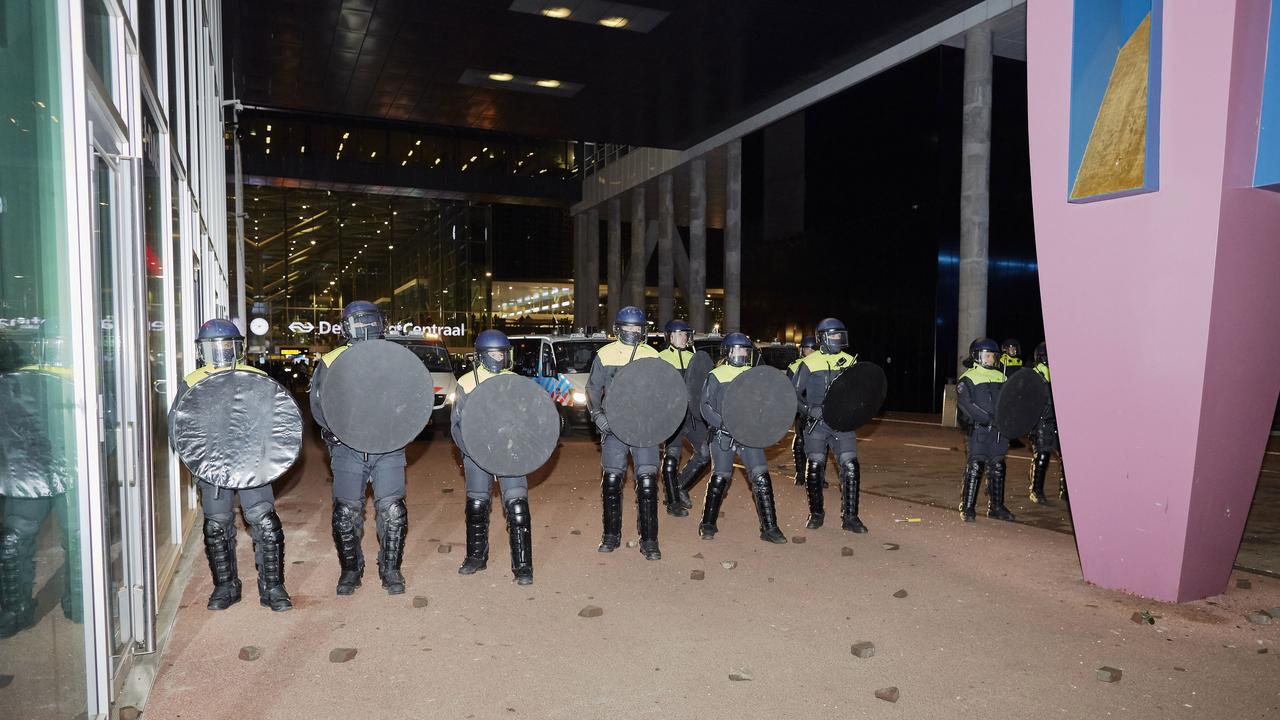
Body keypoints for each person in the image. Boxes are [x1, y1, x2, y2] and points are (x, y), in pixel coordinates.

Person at [168, 319, 292, 611]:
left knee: (265, 522)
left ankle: (272, 587)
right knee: (216, 526)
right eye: (214, 346)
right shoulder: (193, 381)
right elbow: (178, 426)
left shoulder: (255, 376)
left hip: (252, 463)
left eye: (227, 345)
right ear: (203, 350)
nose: (221, 351)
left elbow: (276, 421)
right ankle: (226, 586)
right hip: (213, 465)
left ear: (238, 347)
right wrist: (197, 461)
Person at [311, 301, 409, 595]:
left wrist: (400, 429)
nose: (366, 328)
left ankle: (390, 569)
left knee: (393, 510)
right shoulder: (331, 361)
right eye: (359, 322)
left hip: (387, 446)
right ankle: (351, 569)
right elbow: (319, 404)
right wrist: (336, 433)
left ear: (381, 323)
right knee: (345, 513)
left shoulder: (396, 357)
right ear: (346, 327)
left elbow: (411, 400)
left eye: (371, 321)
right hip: (348, 448)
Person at [0, 319, 83, 636]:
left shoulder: (80, 379)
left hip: (58, 470)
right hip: (31, 472)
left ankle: (78, 602)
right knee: (14, 541)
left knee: (78, 539)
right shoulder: (15, 381)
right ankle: (16, 608)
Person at [451, 331, 534, 585]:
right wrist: (472, 451)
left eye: (502, 353)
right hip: (477, 453)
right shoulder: (466, 382)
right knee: (477, 505)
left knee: (517, 505)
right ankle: (476, 556)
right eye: (493, 354)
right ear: (481, 356)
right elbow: (457, 424)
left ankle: (522, 566)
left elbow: (528, 418)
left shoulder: (516, 381)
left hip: (509, 452)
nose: (498, 358)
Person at [586, 306, 664, 560]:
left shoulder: (653, 354)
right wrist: (598, 416)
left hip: (644, 429)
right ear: (618, 329)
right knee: (611, 481)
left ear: (643, 330)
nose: (632, 331)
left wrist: (659, 421)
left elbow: (664, 393)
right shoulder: (605, 354)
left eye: (637, 328)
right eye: (628, 327)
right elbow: (593, 389)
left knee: (648, 482)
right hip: (615, 428)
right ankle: (611, 535)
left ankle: (649, 540)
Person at [697, 334, 788, 544]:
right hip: (723, 436)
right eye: (737, 350)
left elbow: (762, 404)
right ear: (727, 352)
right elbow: (705, 406)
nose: (741, 353)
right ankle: (708, 523)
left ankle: (770, 527)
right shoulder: (716, 375)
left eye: (745, 350)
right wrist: (723, 424)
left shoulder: (754, 374)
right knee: (721, 478)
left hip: (748, 436)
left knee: (761, 478)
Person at [794, 318, 867, 533]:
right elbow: (792, 394)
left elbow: (860, 393)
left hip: (842, 423)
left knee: (851, 467)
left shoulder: (850, 361)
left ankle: (851, 517)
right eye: (833, 335)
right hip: (817, 424)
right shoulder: (809, 363)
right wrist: (808, 409)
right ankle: (816, 513)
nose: (837, 339)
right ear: (823, 338)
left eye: (840, 335)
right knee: (815, 467)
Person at [956, 338, 1015, 522]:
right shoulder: (968, 378)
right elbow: (967, 405)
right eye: (987, 355)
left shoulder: (1001, 376)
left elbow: (1009, 403)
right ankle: (967, 508)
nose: (990, 359)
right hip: (979, 431)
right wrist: (989, 420)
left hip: (999, 433)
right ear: (977, 357)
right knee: (976, 466)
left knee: (998, 466)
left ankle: (996, 507)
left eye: (993, 356)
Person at [657, 319, 709, 517]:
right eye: (679, 334)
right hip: (672, 417)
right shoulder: (660, 358)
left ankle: (678, 486)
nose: (684, 337)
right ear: (670, 336)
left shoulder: (694, 358)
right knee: (672, 457)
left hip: (693, 417)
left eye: (686, 334)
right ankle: (673, 503)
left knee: (705, 454)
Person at [1027, 342, 1067, 505]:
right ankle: (1036, 491)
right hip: (1041, 423)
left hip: (1058, 422)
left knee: (1066, 458)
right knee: (1042, 456)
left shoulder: (1060, 375)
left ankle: (1065, 490)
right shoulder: (1033, 376)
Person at [786, 336, 818, 486]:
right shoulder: (795, 366)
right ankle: (801, 473)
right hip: (804, 408)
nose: (809, 351)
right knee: (802, 439)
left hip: (812, 408)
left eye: (811, 348)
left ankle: (811, 475)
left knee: (816, 442)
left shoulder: (819, 363)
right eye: (808, 348)